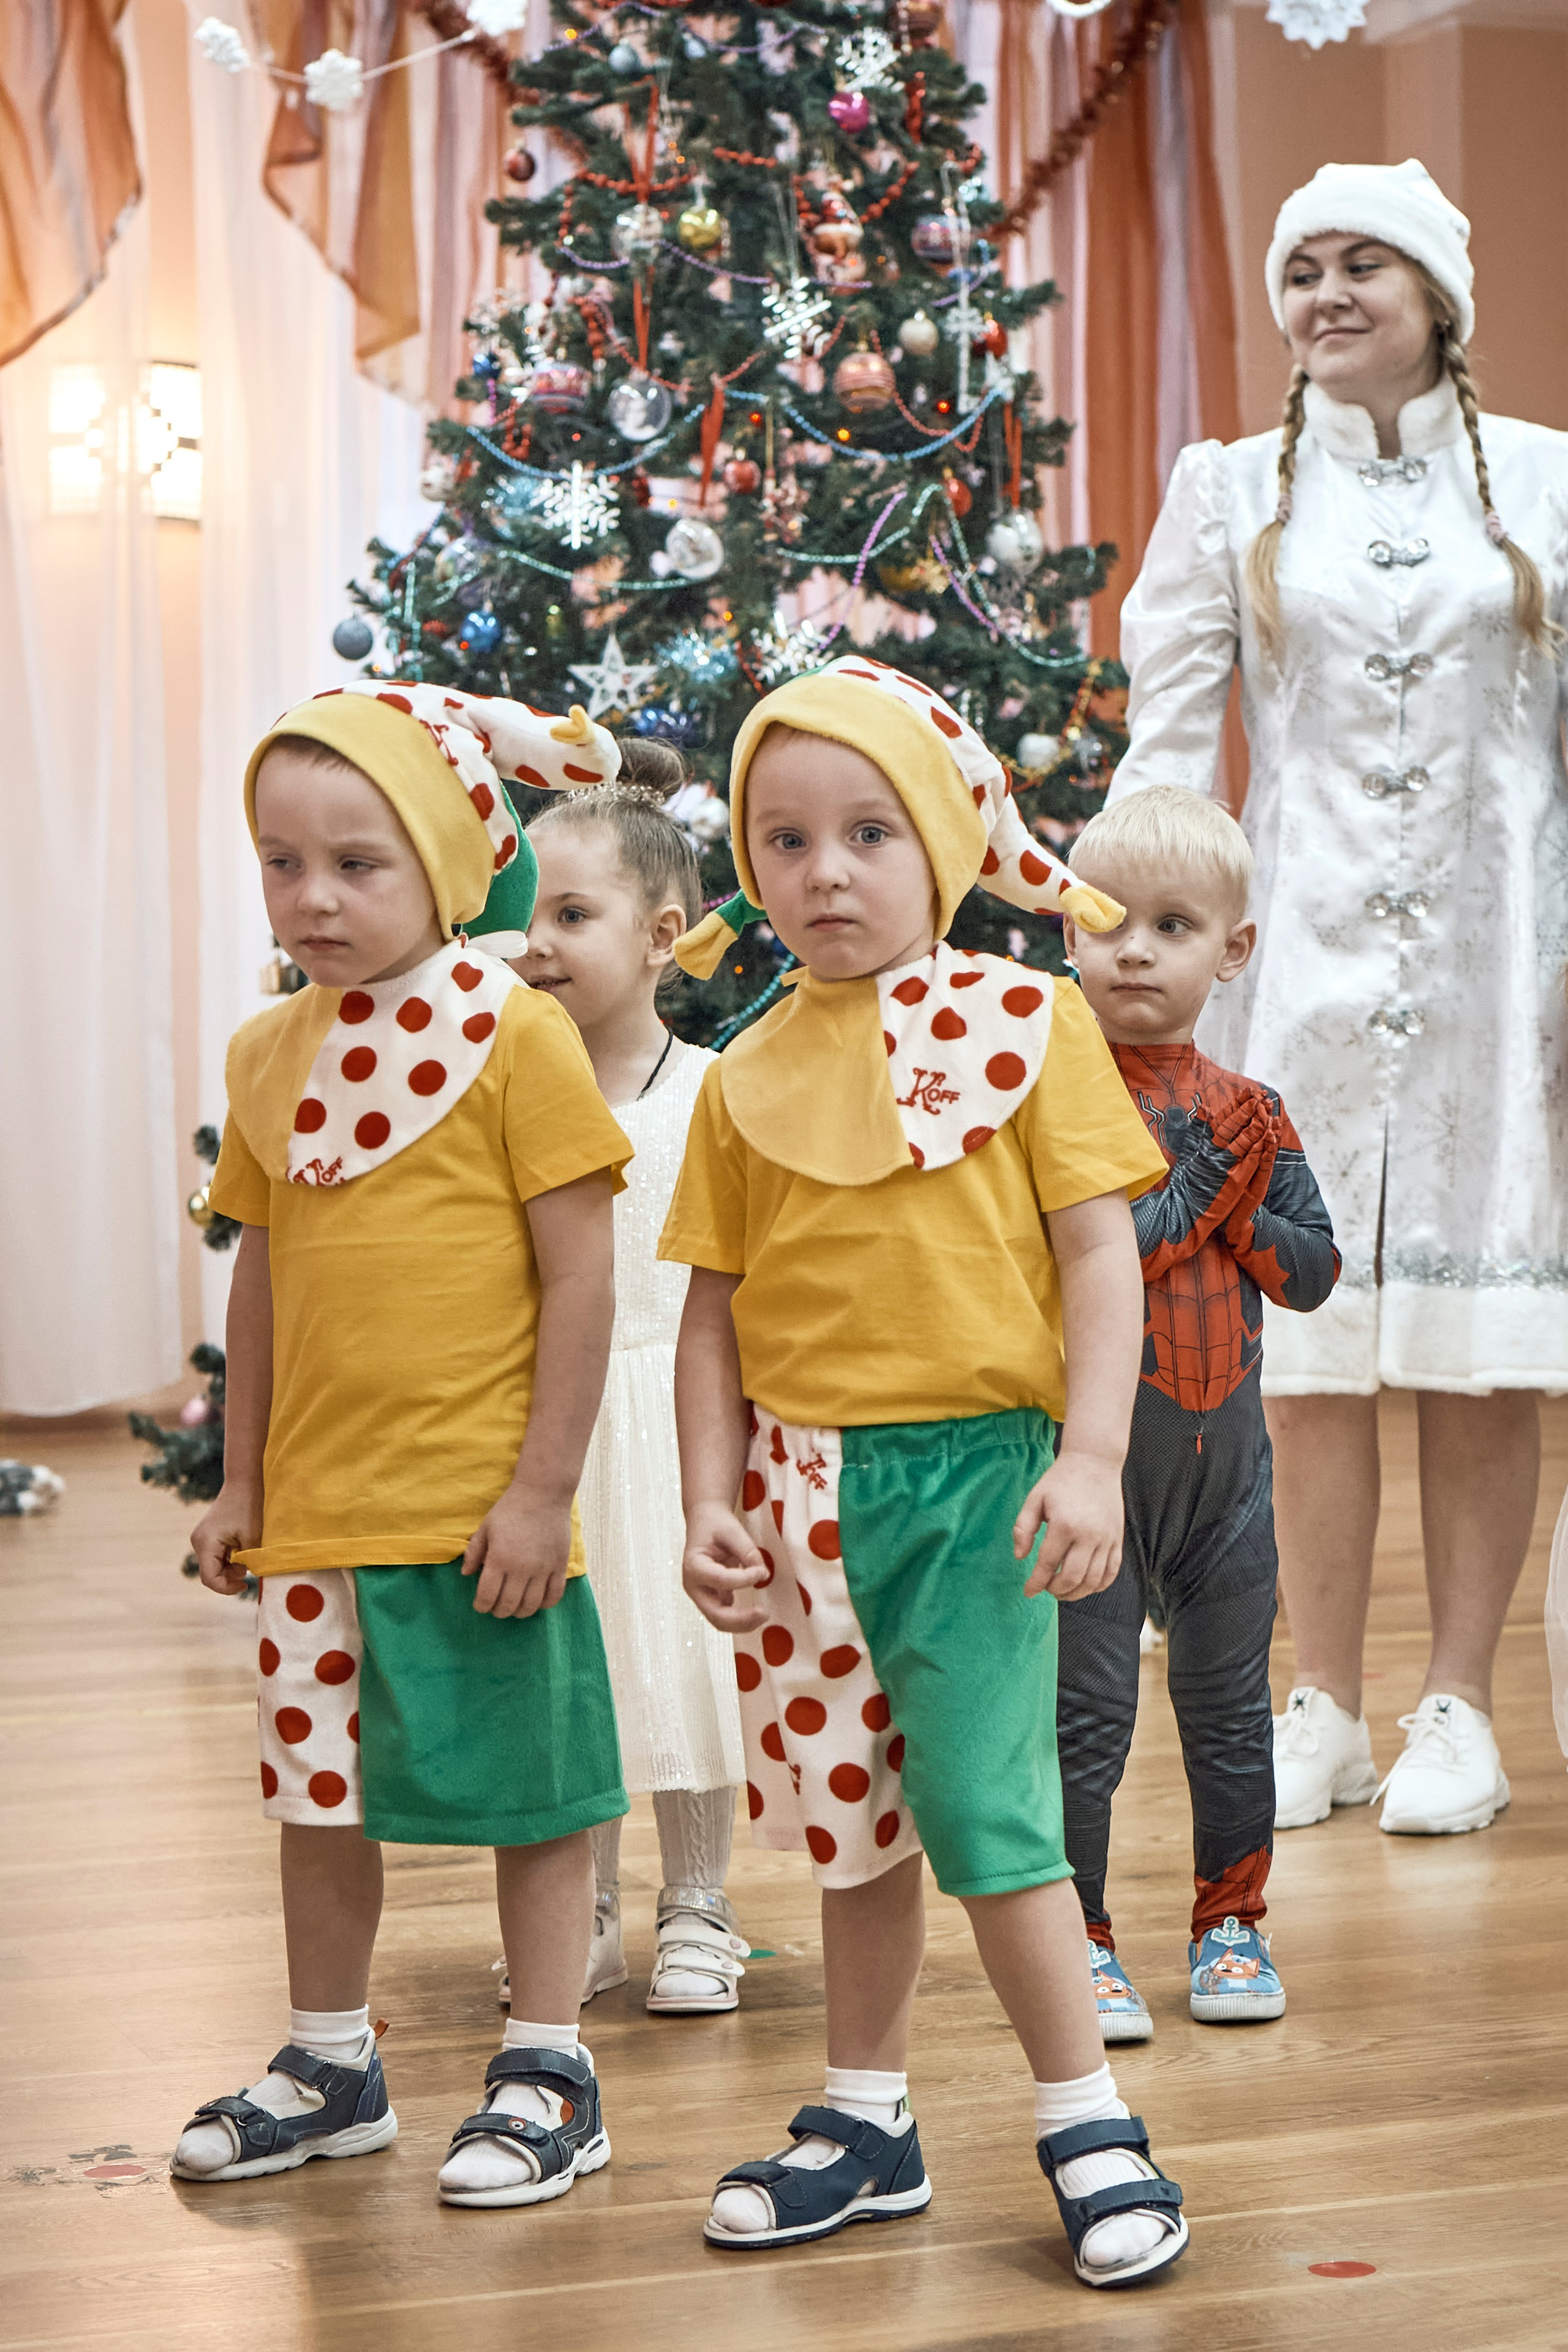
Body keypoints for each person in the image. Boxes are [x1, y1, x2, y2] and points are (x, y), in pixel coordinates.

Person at [658, 654, 1191, 2292]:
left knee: (988, 1813)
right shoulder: (744, 1073)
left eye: (871, 832)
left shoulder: (1031, 1024)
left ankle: (1086, 2112)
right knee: (852, 1826)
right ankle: (866, 2116)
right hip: (801, 1493)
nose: (826, 872)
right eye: (787, 840)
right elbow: (712, 1317)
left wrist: (1091, 1459)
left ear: (947, 843)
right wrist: (707, 1499)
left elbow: (1101, 1257)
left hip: (976, 1486)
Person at [1107, 159, 1568, 1838]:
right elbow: (1169, 748)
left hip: (1500, 970)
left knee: (1476, 1347)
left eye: (1366, 264)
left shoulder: (1547, 484)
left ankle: (1460, 1703)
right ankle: (1322, 1698)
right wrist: (1139, 955)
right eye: (1303, 270)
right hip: (1289, 965)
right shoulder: (1230, 491)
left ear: (1440, 294)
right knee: (1301, 1353)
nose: (1328, 296)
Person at [173, 681, 636, 2213]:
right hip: (315, 1515)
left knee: (535, 1789)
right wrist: (239, 1479)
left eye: (357, 864)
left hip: (477, 1515)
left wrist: (539, 1492)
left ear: (442, 863)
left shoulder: (517, 1035)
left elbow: (581, 1268)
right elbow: (263, 1270)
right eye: (281, 862)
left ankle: (548, 2063)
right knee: (319, 1797)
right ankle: (330, 2061)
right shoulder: (263, 1057)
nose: (313, 897)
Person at [1057, 788, 1339, 2042]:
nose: (1130, 948)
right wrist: (1207, 1197)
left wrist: (1226, 1203)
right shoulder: (1048, 1102)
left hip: (1228, 1469)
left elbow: (1313, 1272)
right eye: (1106, 920)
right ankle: (1080, 1940)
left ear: (1229, 949)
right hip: (1093, 1466)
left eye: (1168, 925)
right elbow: (1095, 1259)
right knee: (1087, 1715)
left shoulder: (1253, 1107)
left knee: (1229, 1714)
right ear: (1066, 931)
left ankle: (1231, 1925)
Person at [501, 742, 748, 2017]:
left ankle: (697, 1900)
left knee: (694, 1668)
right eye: (524, 915)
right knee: (575, 1669)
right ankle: (582, 1910)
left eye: (571, 916)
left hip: (679, 1418)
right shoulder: (500, 1093)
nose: (532, 943)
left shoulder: (713, 1095)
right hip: (558, 1425)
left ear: (661, 935)